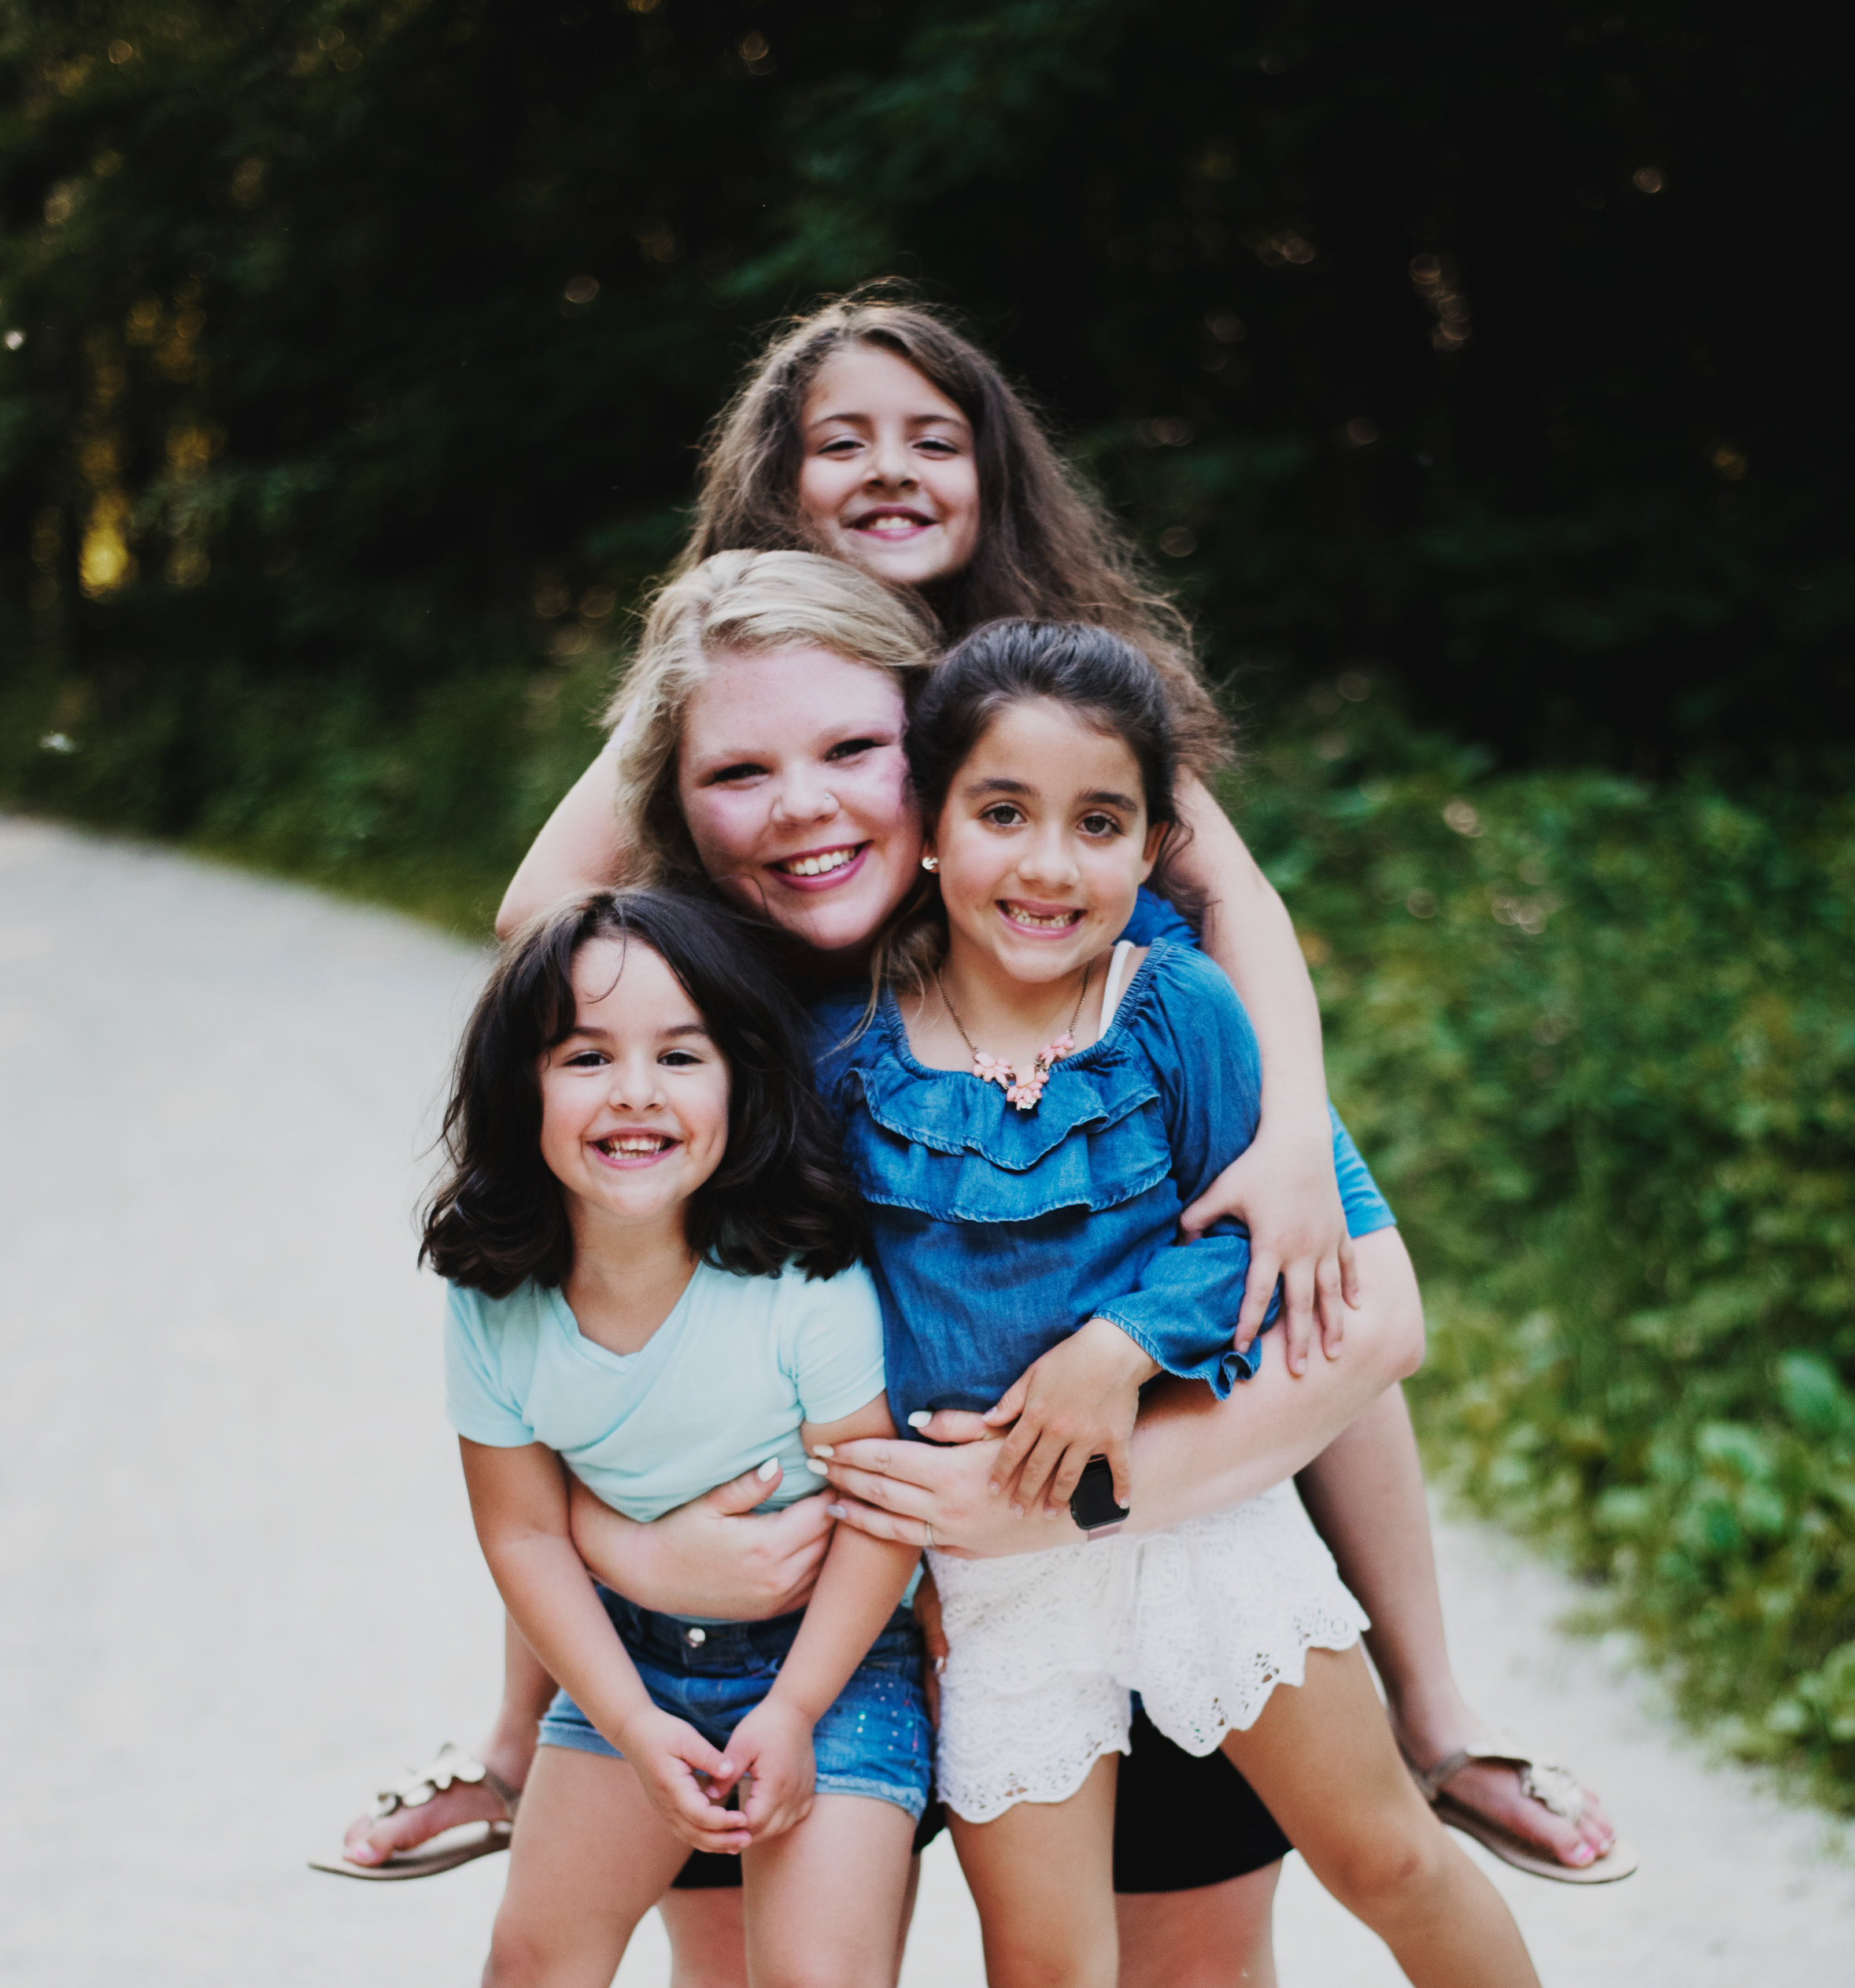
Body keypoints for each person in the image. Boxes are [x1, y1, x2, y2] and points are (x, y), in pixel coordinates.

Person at [526, 553, 1698, 1988]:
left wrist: (1084, 1457)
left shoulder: (1167, 991)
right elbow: (570, 1257)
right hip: (826, 1636)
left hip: (1135, 1553)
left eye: (853, 753)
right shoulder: (731, 1011)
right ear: (679, 794)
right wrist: (599, 1536)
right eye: (737, 765)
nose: (806, 807)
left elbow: (1363, 1303)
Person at [349, 293, 1624, 1898]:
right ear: (771, 483)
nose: (889, 471)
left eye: (931, 439)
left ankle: (1432, 1722)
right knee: (634, 1277)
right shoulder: (741, 672)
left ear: (995, 472)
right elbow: (541, 915)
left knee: (1288, 1257)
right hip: (838, 1060)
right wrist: (713, 697)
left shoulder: (1053, 702)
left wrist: (1293, 1122)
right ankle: (519, 1739)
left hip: (1059, 1066)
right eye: (841, 444)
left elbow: (1233, 895)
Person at [287, 887, 945, 1988]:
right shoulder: (500, 1299)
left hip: (837, 1675)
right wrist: (626, 1726)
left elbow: (877, 1527)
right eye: (586, 1054)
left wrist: (798, 1708)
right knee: (528, 1972)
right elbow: (519, 1538)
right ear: (521, 1092)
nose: (635, 1089)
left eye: (681, 1051)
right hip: (621, 1684)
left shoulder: (799, 1280)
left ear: (742, 1079)